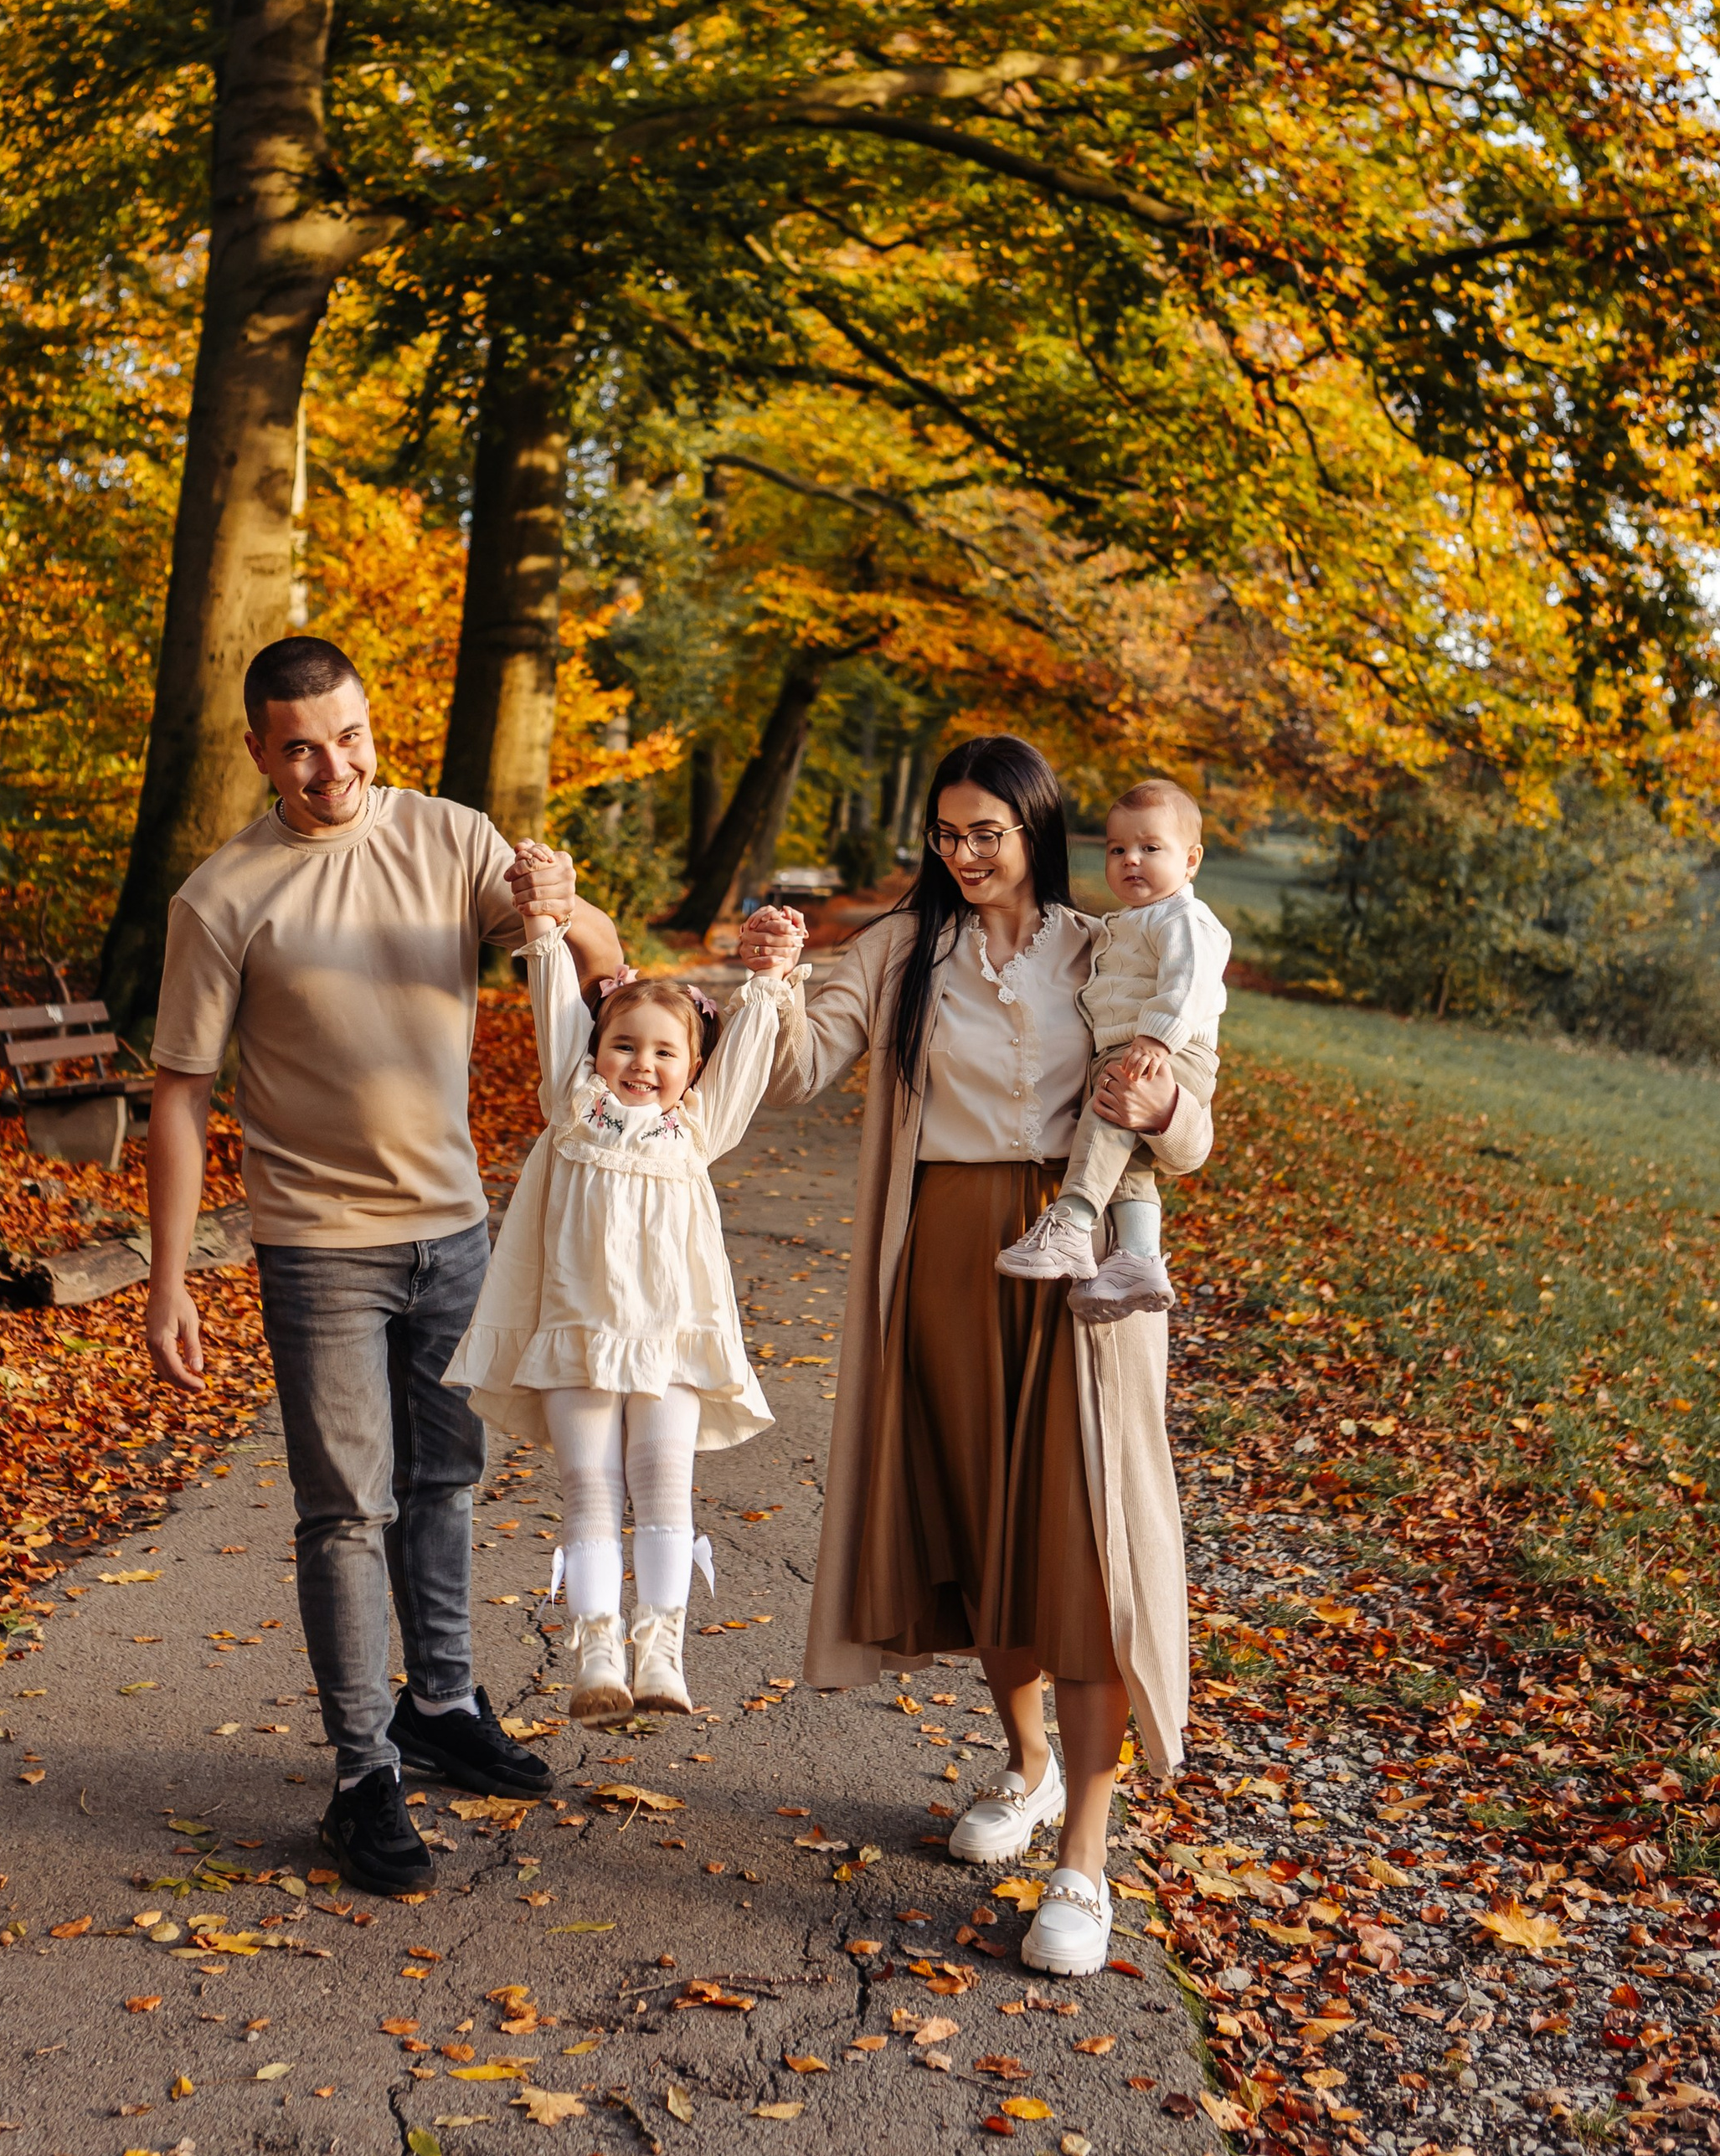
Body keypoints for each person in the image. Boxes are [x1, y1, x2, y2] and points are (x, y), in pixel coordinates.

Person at [142, 634, 625, 1899]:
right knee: (346, 1508)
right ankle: (363, 1775)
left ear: (373, 727)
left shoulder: (452, 838)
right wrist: (170, 1279)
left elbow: (588, 950)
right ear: (259, 751)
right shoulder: (224, 895)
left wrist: (567, 912)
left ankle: (444, 1703)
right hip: (316, 1250)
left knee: (449, 1482)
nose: (330, 766)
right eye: (298, 747)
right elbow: (181, 1095)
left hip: (454, 1229)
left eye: (348, 736)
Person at [740, 735, 1213, 1979]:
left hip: (1083, 1265)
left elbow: (1194, 1123)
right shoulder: (902, 952)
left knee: (1084, 1549)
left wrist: (1163, 1108)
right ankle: (1030, 1768)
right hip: (950, 1260)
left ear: (1033, 831)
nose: (961, 855)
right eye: (945, 835)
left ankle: (1085, 1867)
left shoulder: (1106, 941)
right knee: (986, 1532)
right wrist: (775, 980)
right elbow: (794, 1069)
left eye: (985, 834)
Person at [444, 874, 798, 1726]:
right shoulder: (571, 1105)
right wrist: (540, 924)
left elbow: (748, 1049)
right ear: (596, 1051)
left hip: (671, 1340)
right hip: (579, 1335)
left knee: (665, 1485)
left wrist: (770, 981)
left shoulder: (698, 1129)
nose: (641, 1064)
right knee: (589, 1488)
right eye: (624, 1046)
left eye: (664, 1052)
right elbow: (554, 1001)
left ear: (692, 1068)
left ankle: (660, 1647)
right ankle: (598, 1647)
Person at [997, 779, 1229, 1321]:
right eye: (1117, 849)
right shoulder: (1124, 924)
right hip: (1135, 1048)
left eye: (1151, 848)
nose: (1131, 860)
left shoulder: (1184, 919)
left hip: (1169, 1053)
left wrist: (1156, 1036)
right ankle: (1139, 1259)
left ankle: (1073, 1224)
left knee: (1107, 1118)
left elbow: (1190, 980)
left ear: (1191, 860)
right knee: (1125, 1158)